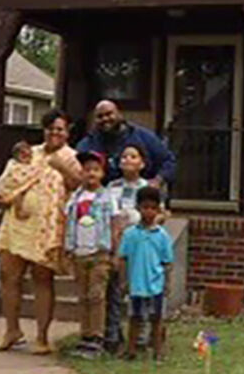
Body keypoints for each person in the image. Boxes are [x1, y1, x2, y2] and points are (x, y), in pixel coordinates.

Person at [0, 110, 82, 356]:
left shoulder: (72, 157)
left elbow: (79, 184)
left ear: (68, 131)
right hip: (16, 224)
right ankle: (12, 330)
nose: (55, 133)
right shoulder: (28, 153)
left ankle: (41, 337)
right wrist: (6, 195)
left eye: (60, 129)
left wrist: (61, 166)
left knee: (42, 279)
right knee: (9, 276)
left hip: (46, 228)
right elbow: (8, 180)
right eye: (50, 128)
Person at [64, 151, 119, 358]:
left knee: (97, 296)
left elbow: (114, 225)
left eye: (95, 170)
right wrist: (67, 250)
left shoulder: (108, 197)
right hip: (79, 252)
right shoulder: (75, 197)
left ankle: (97, 336)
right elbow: (67, 223)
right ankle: (84, 335)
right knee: (83, 296)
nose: (91, 174)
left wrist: (114, 251)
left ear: (103, 173)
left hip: (99, 253)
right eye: (87, 170)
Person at [101, 144, 151, 352]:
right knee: (114, 290)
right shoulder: (112, 187)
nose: (127, 160)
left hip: (140, 246)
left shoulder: (147, 188)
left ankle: (140, 335)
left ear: (142, 163)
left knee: (138, 291)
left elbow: (154, 216)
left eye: (133, 156)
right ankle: (112, 334)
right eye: (124, 156)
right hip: (116, 244)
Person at [117, 185, 174, 361]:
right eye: (144, 207)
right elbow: (123, 258)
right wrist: (123, 281)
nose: (148, 212)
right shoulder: (130, 234)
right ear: (138, 208)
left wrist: (167, 283)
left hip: (155, 284)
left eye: (152, 208)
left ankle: (158, 350)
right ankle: (131, 350)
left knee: (156, 319)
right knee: (135, 318)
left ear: (158, 210)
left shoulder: (162, 235)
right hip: (136, 285)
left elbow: (168, 262)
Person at [76, 100, 176, 188]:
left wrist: (157, 181)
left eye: (109, 114)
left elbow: (168, 161)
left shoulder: (144, 137)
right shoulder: (88, 144)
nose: (105, 119)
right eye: (100, 116)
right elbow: (78, 169)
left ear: (119, 114)